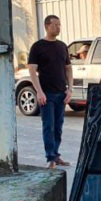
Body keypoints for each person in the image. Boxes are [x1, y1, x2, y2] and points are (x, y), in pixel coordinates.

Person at [28, 15, 73, 168]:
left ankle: (56, 154)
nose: (58, 28)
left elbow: (68, 68)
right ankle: (50, 158)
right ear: (47, 26)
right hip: (46, 94)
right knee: (49, 126)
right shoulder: (37, 46)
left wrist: (70, 89)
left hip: (61, 93)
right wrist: (39, 92)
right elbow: (32, 71)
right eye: (55, 25)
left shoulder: (62, 46)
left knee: (58, 127)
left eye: (59, 25)